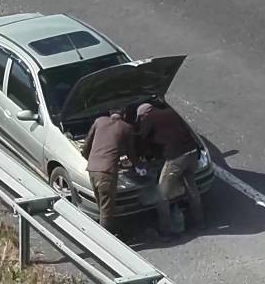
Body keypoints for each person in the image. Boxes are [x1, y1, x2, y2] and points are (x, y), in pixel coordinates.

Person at [137, 100, 204, 238]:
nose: (141, 120)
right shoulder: (172, 112)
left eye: (140, 118)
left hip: (176, 158)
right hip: (192, 153)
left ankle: (165, 232)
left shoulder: (148, 119)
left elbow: (141, 140)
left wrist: (140, 157)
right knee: (192, 189)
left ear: (143, 114)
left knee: (162, 196)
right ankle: (199, 224)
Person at [81, 109, 135, 232]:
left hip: (92, 169)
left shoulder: (99, 121)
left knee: (101, 204)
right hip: (106, 172)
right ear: (124, 114)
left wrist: (90, 159)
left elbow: (87, 145)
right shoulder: (126, 127)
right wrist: (136, 164)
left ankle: (111, 231)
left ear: (110, 113)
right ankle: (104, 242)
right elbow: (131, 151)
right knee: (106, 210)